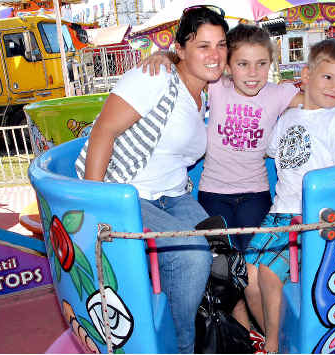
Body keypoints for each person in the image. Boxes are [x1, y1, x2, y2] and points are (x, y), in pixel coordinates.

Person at [140, 24, 335, 348]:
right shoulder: (216, 88)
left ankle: (266, 337)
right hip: (215, 193)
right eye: (243, 64)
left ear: (272, 67)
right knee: (226, 270)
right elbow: (190, 65)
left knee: (250, 271)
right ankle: (245, 336)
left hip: (257, 195)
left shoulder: (280, 94)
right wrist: (165, 55)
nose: (253, 72)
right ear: (229, 66)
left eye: (262, 64)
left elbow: (322, 96)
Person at [74, 6, 229, 353]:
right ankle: (182, 346)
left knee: (222, 249)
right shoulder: (155, 76)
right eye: (203, 45)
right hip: (128, 194)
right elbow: (103, 132)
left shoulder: (207, 90)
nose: (215, 54)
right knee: (191, 254)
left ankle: (212, 331)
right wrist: (98, 205)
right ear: (181, 48)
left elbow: (274, 87)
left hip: (172, 195)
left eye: (221, 44)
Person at [243, 38, 335, 353]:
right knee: (246, 276)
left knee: (266, 273)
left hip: (309, 217)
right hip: (279, 211)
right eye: (328, 77)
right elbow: (270, 150)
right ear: (306, 76)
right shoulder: (288, 118)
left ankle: (271, 343)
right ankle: (276, 335)